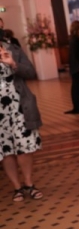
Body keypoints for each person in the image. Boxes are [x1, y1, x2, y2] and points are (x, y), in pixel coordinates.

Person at [0, 41, 43, 202]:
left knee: (24, 146)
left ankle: (29, 183)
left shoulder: (13, 49)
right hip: (0, 113)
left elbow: (31, 72)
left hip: (19, 106)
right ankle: (17, 187)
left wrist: (12, 63)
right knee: (6, 149)